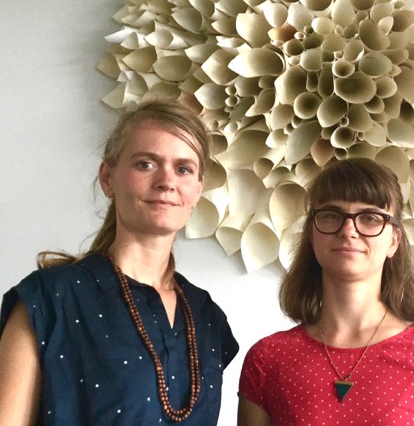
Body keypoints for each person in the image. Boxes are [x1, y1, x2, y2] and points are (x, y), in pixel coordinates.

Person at [0, 99, 239, 425]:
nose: (167, 181)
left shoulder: (208, 317)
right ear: (108, 178)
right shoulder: (48, 300)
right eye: (146, 164)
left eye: (183, 169)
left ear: (197, 190)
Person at [237, 158, 414, 426]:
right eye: (331, 214)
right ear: (311, 236)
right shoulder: (268, 358)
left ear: (393, 241)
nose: (348, 230)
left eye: (370, 218)